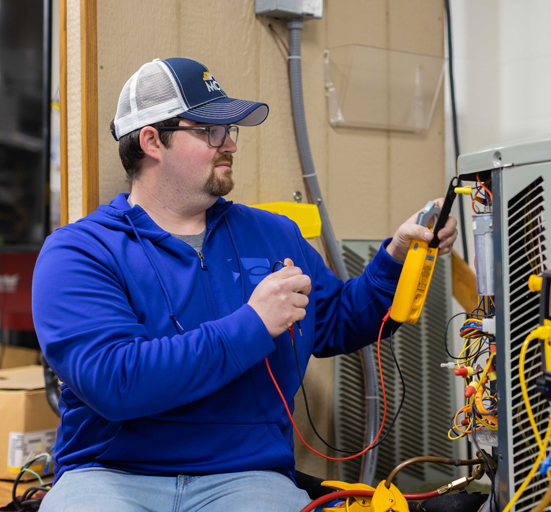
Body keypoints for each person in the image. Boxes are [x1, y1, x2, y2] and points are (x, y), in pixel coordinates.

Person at [31, 58, 458, 512]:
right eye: (211, 130)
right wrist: (254, 323)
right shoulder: (80, 252)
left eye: (232, 129)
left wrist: (395, 257)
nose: (230, 142)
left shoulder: (274, 235)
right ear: (153, 140)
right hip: (110, 476)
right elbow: (116, 383)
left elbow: (340, 321)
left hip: (245, 477)